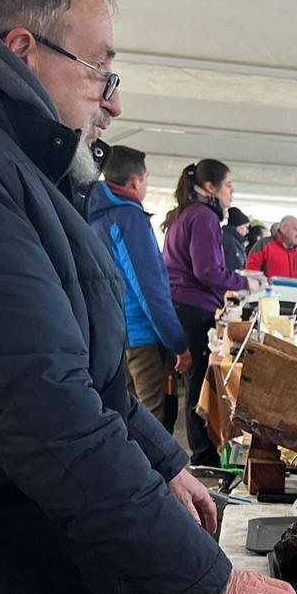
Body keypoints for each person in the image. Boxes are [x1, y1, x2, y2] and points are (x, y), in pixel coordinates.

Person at [0, 0, 297, 594]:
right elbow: (46, 415)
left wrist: (165, 463)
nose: (112, 99)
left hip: (54, 582)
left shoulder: (26, 169)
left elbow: (95, 377)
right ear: (23, 49)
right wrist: (211, 578)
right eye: (99, 68)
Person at [87, 145, 191, 431]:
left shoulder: (94, 213)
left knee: (123, 413)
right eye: (146, 179)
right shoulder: (129, 218)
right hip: (139, 335)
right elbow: (149, 289)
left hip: (112, 331)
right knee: (151, 419)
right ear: (135, 181)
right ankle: (151, 476)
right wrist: (177, 343)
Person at [163, 158, 249, 466]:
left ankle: (203, 455)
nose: (231, 192)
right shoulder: (203, 217)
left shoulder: (184, 214)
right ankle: (204, 458)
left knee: (196, 379)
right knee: (199, 381)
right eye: (228, 185)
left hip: (183, 304)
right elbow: (207, 270)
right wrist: (243, 281)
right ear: (210, 187)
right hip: (193, 306)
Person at [246, 214, 297, 279]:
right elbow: (251, 275)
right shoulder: (263, 246)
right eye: (296, 230)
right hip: (268, 289)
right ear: (284, 228)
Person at [221, 205, 250, 272]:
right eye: (246, 227)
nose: (247, 231)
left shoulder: (237, 241)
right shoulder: (229, 241)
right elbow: (234, 266)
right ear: (238, 227)